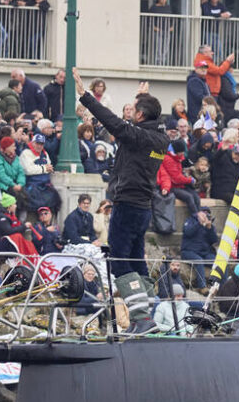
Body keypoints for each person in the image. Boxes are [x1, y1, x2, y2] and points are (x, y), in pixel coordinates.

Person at [72, 68, 167, 333]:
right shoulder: (160, 137)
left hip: (127, 204)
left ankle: (140, 318)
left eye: (133, 109)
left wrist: (86, 96)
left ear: (139, 115)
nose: (129, 112)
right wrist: (144, 97)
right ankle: (147, 315)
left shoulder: (138, 136)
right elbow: (151, 119)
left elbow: (113, 122)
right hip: (144, 207)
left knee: (118, 262)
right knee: (137, 261)